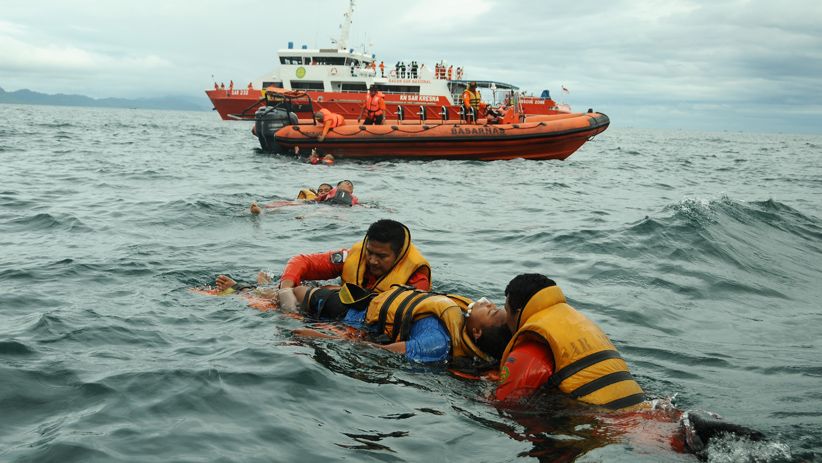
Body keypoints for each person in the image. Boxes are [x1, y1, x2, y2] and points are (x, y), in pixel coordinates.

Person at [495, 274, 767, 457]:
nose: (505, 318)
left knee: (680, 449)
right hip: (651, 409)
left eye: (506, 311)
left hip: (627, 426)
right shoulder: (576, 321)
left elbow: (508, 403)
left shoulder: (533, 345)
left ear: (518, 311)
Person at [261, 219, 430, 292]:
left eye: (381, 256)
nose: (372, 260)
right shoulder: (353, 256)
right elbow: (303, 261)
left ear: (399, 254)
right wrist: (286, 288)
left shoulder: (416, 277)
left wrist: (338, 293)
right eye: (369, 252)